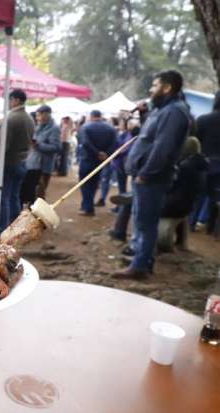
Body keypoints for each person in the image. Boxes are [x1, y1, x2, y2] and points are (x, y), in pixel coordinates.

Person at [113, 70, 191, 280]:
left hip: (152, 178)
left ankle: (140, 266)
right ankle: (141, 258)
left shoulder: (175, 112)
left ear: (167, 88)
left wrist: (146, 173)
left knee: (146, 223)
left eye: (155, 86)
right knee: (141, 220)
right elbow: (149, 136)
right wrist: (143, 113)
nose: (150, 90)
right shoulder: (163, 109)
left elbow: (163, 148)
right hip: (146, 176)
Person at [0, 89, 35, 231]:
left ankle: (3, 229)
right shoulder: (30, 118)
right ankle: (15, 227)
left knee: (4, 198)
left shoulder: (11, 118)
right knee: (14, 196)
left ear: (16, 100)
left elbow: (3, 145)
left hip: (8, 162)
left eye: (10, 100)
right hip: (22, 161)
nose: (9, 103)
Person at [76, 110, 117, 216]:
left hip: (88, 159)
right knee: (94, 183)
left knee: (85, 183)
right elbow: (115, 143)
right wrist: (105, 154)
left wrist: (97, 153)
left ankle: (88, 207)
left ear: (91, 116)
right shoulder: (111, 128)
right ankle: (87, 205)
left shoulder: (86, 127)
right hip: (101, 161)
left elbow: (85, 143)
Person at [191, 90, 220, 233]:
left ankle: (191, 222)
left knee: (197, 194)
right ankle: (207, 223)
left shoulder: (203, 119)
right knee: (214, 196)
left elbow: (195, 141)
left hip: (202, 162)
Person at [22, 105, 60, 203]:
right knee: (30, 192)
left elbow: (56, 147)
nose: (37, 118)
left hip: (44, 166)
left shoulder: (54, 128)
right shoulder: (39, 126)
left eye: (39, 115)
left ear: (47, 114)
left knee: (39, 194)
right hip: (32, 165)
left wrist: (38, 145)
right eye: (37, 115)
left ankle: (38, 212)